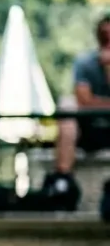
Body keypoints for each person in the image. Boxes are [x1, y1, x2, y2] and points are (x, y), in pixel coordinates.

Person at [43, 15, 110, 209]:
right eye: (104, 36)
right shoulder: (85, 63)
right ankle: (62, 180)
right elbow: (83, 100)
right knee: (66, 106)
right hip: (90, 129)